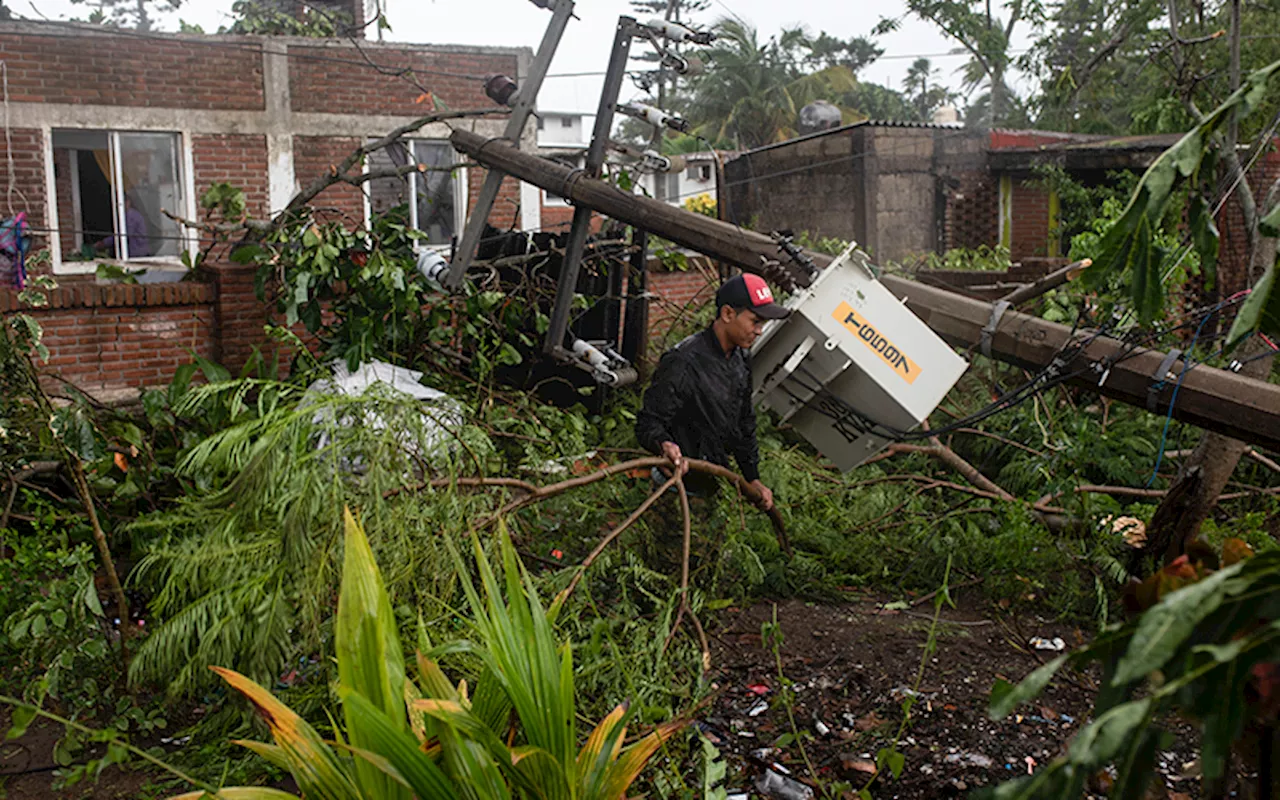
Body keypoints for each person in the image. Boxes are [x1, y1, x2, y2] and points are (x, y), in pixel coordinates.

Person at [635, 272, 789, 510]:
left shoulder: (740, 360)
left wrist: (752, 478)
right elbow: (648, 423)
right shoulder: (683, 361)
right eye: (755, 321)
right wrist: (663, 443)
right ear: (728, 314)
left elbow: (744, 423)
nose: (759, 331)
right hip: (677, 493)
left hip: (715, 489)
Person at [98, 192, 151, 259]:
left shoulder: (131, 216)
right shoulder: (128, 215)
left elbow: (125, 234)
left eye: (120, 202)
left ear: (128, 202)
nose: (118, 205)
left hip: (138, 255)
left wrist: (104, 243)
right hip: (136, 253)